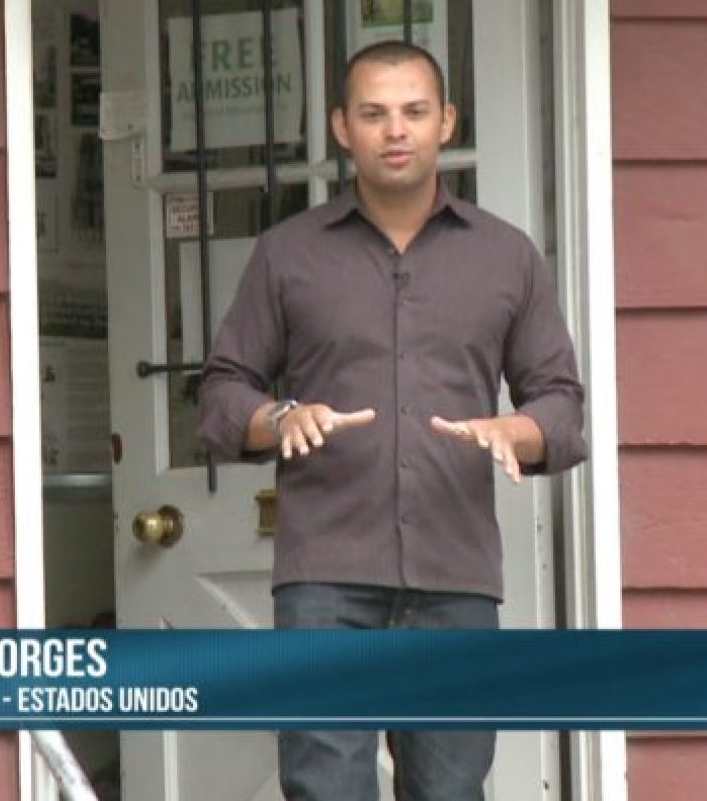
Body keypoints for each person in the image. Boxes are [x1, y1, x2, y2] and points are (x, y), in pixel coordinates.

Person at [196, 40, 586, 801]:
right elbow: (220, 395)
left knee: (450, 794)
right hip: (324, 583)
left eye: (414, 111)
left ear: (447, 121)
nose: (396, 130)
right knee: (325, 791)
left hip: (455, 579)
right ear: (343, 127)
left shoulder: (506, 256)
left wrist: (517, 430)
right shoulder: (287, 255)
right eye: (374, 113)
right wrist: (280, 416)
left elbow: (562, 404)